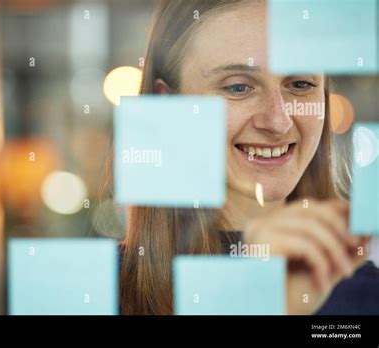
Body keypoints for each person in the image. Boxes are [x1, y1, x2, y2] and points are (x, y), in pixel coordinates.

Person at [116, 0, 378, 315]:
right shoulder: (97, 293)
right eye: (238, 87)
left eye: (299, 84)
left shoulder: (366, 297)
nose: (278, 122)